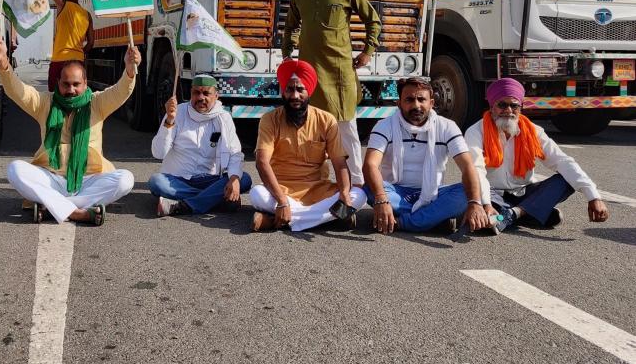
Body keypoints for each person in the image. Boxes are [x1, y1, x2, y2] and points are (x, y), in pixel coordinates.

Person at [0, 36, 138, 225]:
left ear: (85, 84)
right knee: (15, 169)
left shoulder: (97, 103)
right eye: (66, 84)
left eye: (76, 84)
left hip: (89, 179)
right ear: (58, 83)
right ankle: (78, 212)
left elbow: (121, 91)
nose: (71, 89)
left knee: (126, 179)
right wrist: (3, 62)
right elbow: (17, 91)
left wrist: (130, 69)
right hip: (51, 177)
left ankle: (54, 207)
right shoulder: (45, 103)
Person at [281, 0, 380, 190]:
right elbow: (291, 26)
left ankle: (357, 185)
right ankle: (315, 182)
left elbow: (373, 21)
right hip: (309, 73)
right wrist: (287, 54)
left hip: (339, 73)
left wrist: (368, 51)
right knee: (310, 130)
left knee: (347, 130)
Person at [464, 78, 610, 232]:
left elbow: (562, 161)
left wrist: (594, 197)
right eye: (502, 105)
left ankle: (513, 215)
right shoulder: (475, 132)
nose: (508, 111)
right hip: (492, 195)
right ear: (491, 106)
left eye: (514, 106)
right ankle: (528, 213)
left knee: (565, 180)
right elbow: (476, 170)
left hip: (524, 192)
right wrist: (486, 204)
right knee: (468, 197)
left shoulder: (534, 131)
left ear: (521, 107)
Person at [362, 77, 493, 234]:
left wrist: (475, 203)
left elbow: (467, 166)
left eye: (421, 99)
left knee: (466, 194)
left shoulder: (447, 127)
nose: (416, 105)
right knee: (370, 188)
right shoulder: (384, 126)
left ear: (431, 103)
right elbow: (370, 165)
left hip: (433, 194)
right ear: (399, 103)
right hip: (395, 193)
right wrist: (381, 199)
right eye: (409, 100)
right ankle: (433, 218)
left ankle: (403, 222)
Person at [250, 59, 366, 232]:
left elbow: (339, 163)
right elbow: (262, 162)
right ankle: (329, 219)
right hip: (281, 189)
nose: (295, 96)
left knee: (358, 195)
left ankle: (278, 221)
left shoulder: (326, 120)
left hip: (318, 190)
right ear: (283, 92)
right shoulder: (270, 119)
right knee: (257, 194)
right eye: (290, 89)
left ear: (309, 90)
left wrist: (343, 194)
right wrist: (282, 201)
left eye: (300, 89)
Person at [148, 74, 251, 216]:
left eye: (206, 93)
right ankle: (216, 199)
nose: (201, 98)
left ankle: (186, 205)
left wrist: (233, 179)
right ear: (191, 93)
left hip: (210, 179)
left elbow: (235, 152)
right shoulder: (176, 112)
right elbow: (158, 153)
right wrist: (169, 121)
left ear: (216, 96)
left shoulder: (223, 117)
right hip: (179, 179)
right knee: (156, 182)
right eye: (196, 93)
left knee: (243, 179)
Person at [44, 0, 94, 91]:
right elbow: (91, 43)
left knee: (55, 97)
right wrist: (80, 52)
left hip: (59, 60)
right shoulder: (87, 15)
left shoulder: (63, 4)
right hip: (78, 62)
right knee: (75, 97)